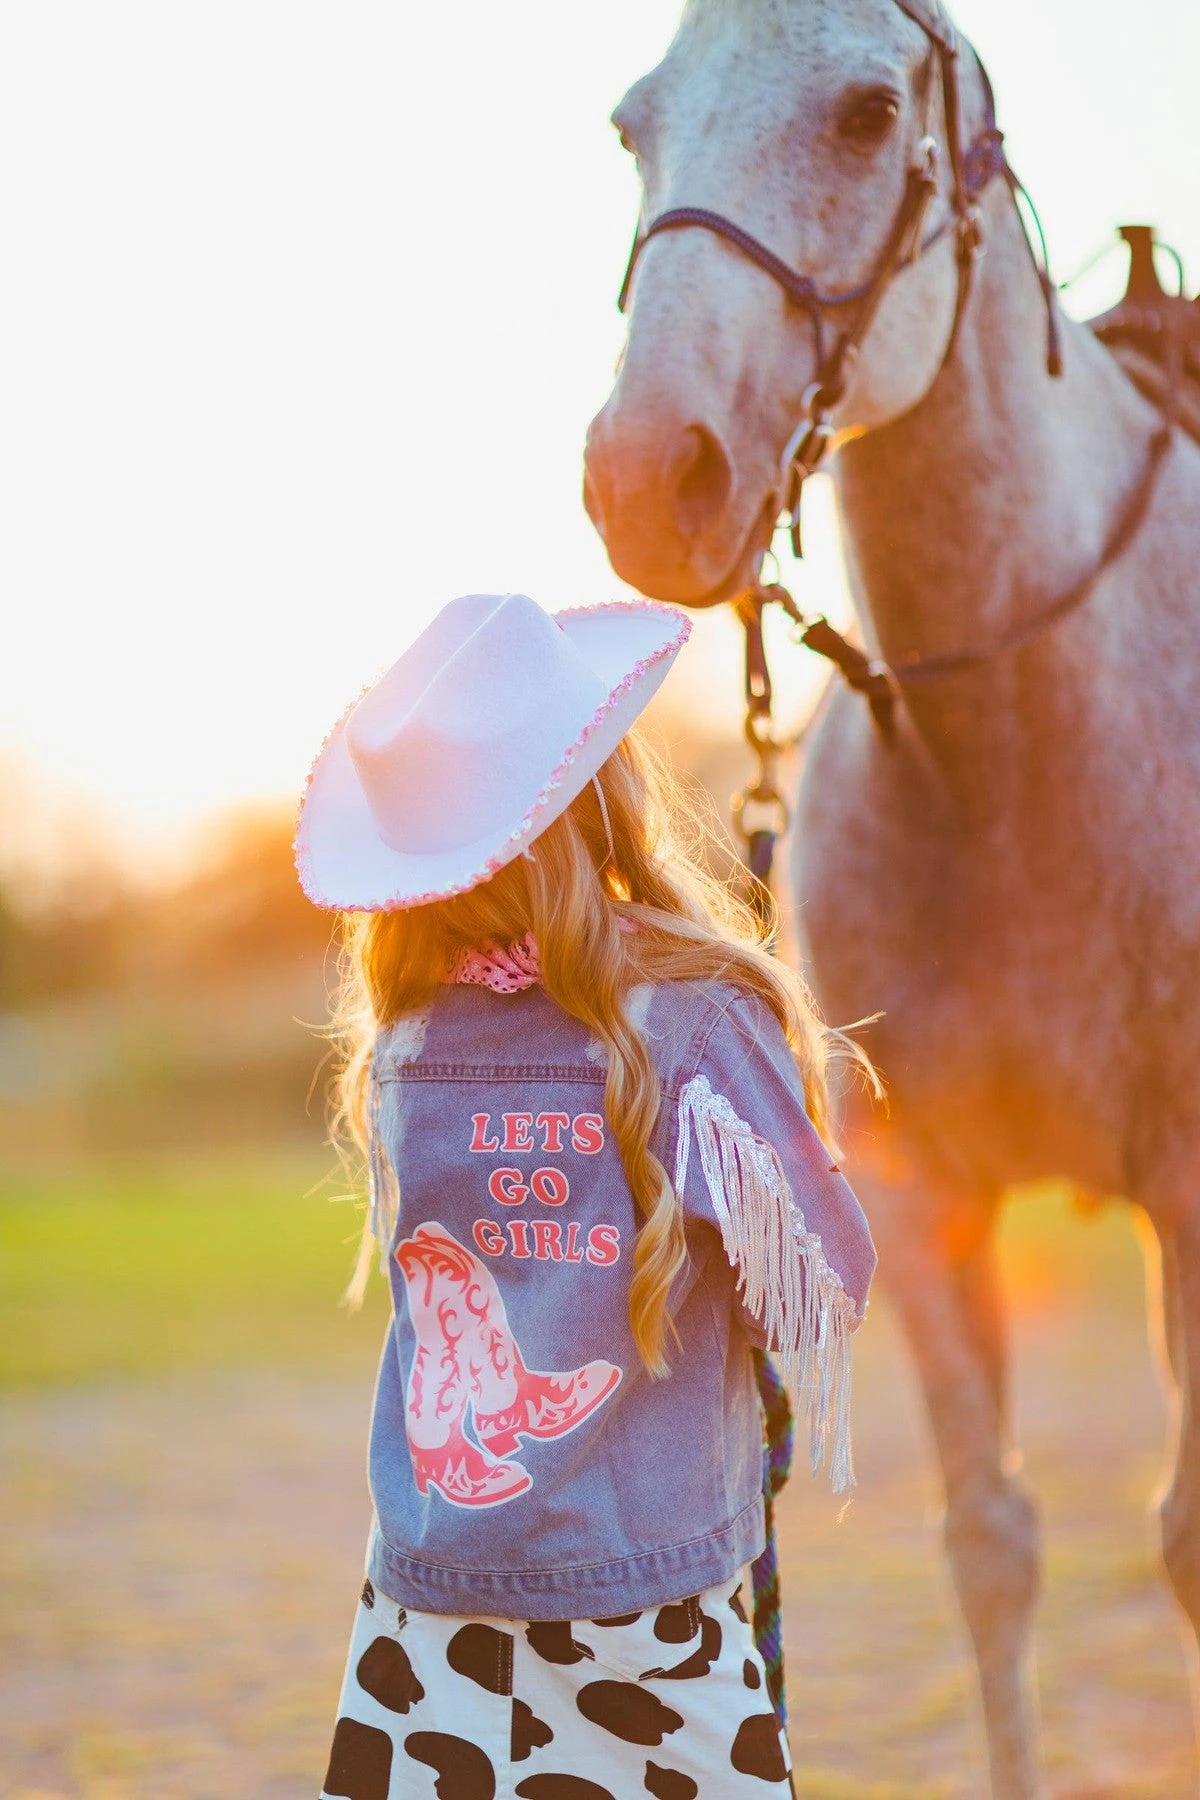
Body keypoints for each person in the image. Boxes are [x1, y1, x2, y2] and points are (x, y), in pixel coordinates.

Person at [296, 592, 877, 1800]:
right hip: (646, 1608)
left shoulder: (401, 1045)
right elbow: (828, 1283)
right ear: (603, 792)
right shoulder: (702, 1023)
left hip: (427, 1608)